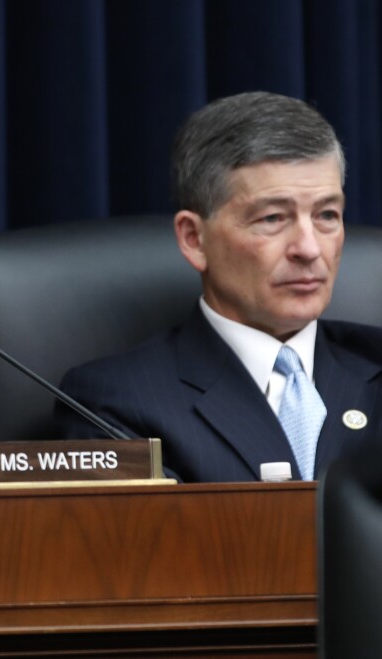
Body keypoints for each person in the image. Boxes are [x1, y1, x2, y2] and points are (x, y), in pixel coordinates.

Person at [58, 91, 382, 483]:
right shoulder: (116, 404)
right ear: (194, 239)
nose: (309, 248)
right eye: (273, 218)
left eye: (327, 215)